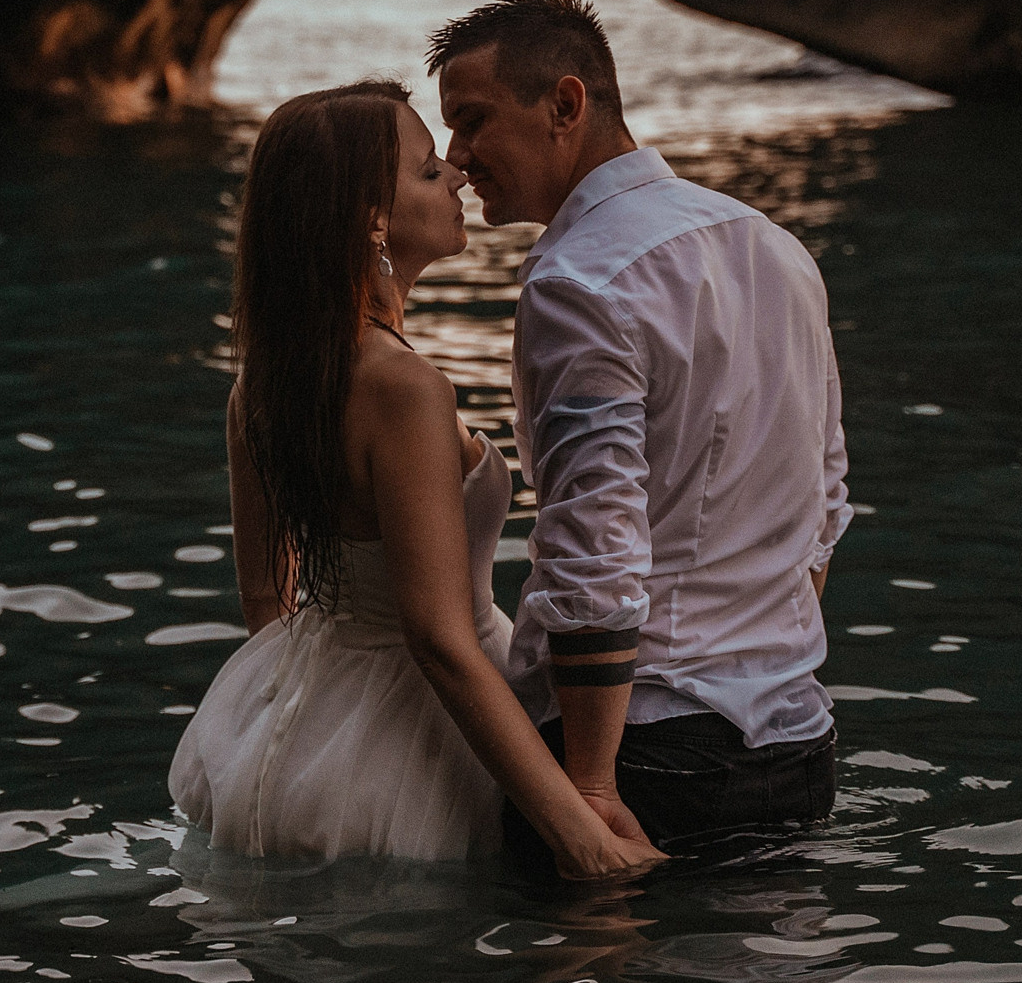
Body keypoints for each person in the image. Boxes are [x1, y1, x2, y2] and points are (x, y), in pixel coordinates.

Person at [169, 80, 665, 880]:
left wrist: (302, 726)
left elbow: (267, 601)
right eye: (431, 170)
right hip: (417, 739)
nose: (458, 175)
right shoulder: (405, 389)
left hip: (296, 729)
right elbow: (438, 639)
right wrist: (583, 839)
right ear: (373, 220)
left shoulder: (260, 384)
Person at [429, 0, 851, 858]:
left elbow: (595, 541)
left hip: (646, 752)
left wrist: (585, 786)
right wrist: (758, 659)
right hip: (798, 741)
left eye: (473, 121)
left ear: (566, 104)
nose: (457, 158)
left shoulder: (579, 282)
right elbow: (825, 502)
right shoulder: (776, 247)